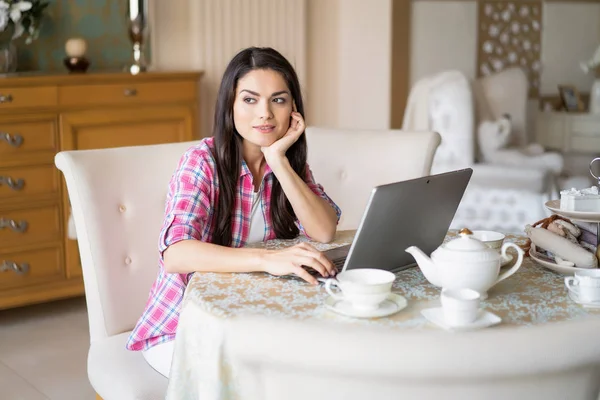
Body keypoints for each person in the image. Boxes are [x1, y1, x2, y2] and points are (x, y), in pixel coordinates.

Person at [125, 47, 341, 378]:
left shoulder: (288, 165)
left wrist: (279, 161)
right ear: (230, 104)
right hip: (186, 327)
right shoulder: (201, 161)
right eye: (250, 100)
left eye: (278, 100)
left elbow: (324, 230)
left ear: (293, 109)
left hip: (257, 319)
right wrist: (267, 259)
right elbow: (176, 253)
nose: (265, 114)